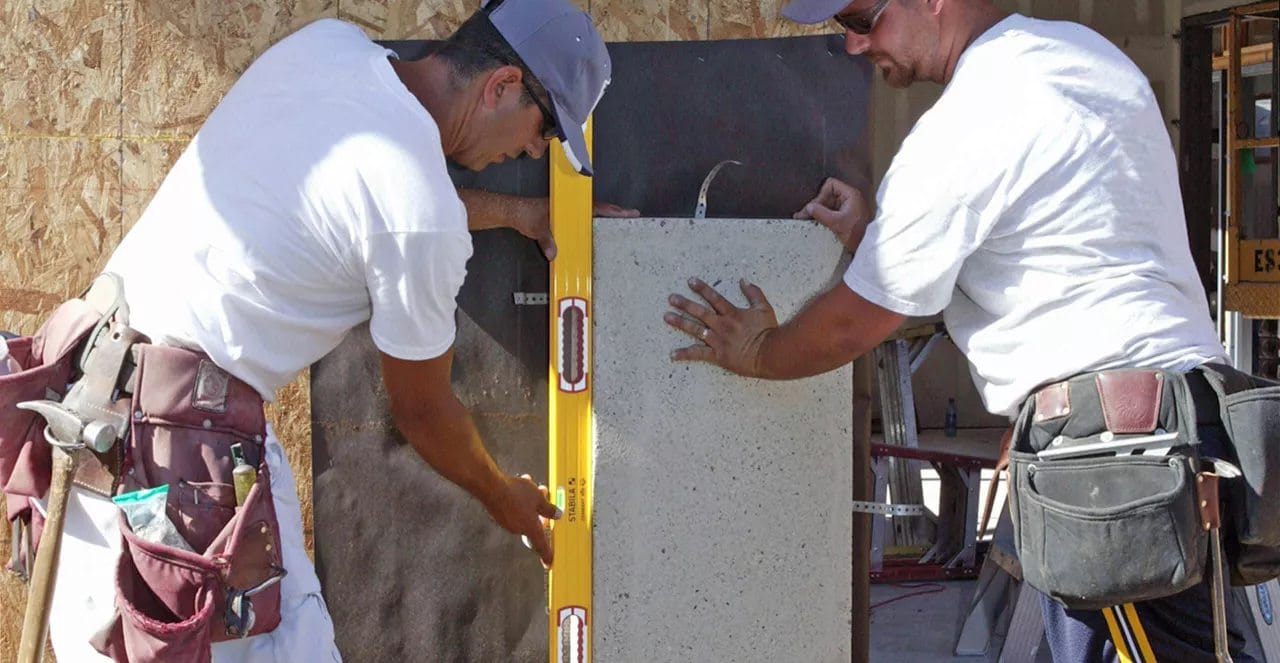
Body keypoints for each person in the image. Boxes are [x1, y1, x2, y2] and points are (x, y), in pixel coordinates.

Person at [35, 0, 630, 660]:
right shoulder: (415, 210)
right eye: (543, 129)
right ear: (502, 86)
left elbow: (374, 201)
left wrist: (517, 212)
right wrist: (503, 495)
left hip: (84, 432)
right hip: (179, 479)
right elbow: (423, 411)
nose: (530, 148)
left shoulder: (327, 49)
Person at [663, 0, 1249, 660]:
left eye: (862, 20)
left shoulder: (974, 114)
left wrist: (760, 350)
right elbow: (1040, 262)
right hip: (1186, 429)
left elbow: (857, 321)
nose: (855, 47)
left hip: (1115, 462)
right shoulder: (1086, 61)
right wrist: (869, 235)